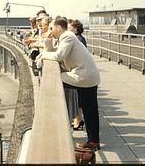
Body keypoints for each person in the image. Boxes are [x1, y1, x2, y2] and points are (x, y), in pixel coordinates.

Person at [36, 16, 101, 151]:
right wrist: (48, 40)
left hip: (83, 76)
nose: (50, 30)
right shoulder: (64, 37)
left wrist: (43, 56)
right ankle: (93, 141)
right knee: (90, 111)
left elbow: (58, 56)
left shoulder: (67, 36)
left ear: (59, 28)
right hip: (87, 76)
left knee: (56, 78)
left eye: (52, 28)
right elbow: (53, 52)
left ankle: (90, 140)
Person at [67, 19, 87, 130]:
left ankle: (78, 120)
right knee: (78, 97)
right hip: (80, 70)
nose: (68, 30)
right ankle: (77, 119)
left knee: (79, 98)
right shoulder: (79, 38)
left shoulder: (78, 39)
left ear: (75, 28)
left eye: (70, 28)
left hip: (79, 72)